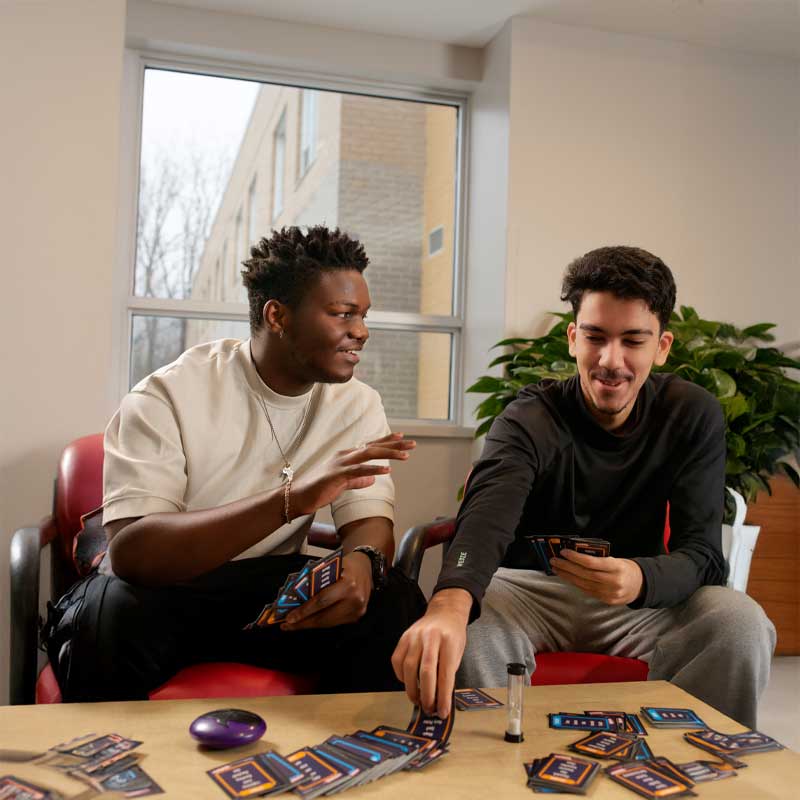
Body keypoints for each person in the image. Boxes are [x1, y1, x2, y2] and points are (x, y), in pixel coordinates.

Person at [392, 245, 775, 729]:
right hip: (529, 594)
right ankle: (487, 770)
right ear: (573, 338)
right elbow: (486, 516)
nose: (611, 361)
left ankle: (705, 765)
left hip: (640, 603)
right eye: (595, 337)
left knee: (740, 623)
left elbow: (702, 555)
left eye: (633, 341)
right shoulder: (529, 417)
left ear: (662, 347)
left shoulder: (692, 413)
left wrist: (640, 578)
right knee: (471, 620)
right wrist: (448, 603)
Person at [56, 225, 426, 701]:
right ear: (277, 315)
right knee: (103, 614)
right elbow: (131, 554)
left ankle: (352, 762)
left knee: (393, 598)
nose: (361, 330)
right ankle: (113, 767)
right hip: (166, 594)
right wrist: (294, 500)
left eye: (363, 315)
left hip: (270, 596)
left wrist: (363, 561)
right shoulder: (167, 395)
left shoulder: (357, 404)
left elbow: (369, 521)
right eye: (342, 314)